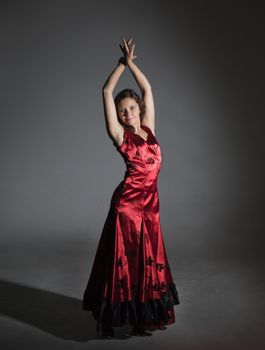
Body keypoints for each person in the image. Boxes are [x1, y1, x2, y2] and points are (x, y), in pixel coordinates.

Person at [82, 37, 180, 338]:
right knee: (123, 263)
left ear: (138, 108)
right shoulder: (120, 136)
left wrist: (132, 64)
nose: (127, 114)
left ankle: (141, 317)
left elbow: (148, 89)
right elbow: (106, 90)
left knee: (146, 263)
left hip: (151, 206)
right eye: (122, 111)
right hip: (127, 206)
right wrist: (119, 65)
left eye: (130, 109)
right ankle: (112, 318)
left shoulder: (149, 126)